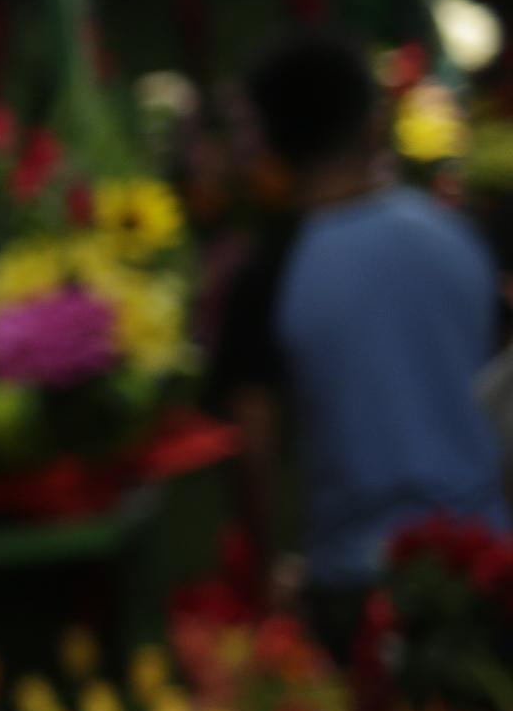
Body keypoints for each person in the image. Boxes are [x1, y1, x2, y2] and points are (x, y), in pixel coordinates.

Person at [213, 33, 508, 649]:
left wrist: (269, 572)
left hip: (356, 592)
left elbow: (255, 451)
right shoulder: (458, 236)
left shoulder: (269, 275)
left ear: (270, 143)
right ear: (371, 123)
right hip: (491, 561)